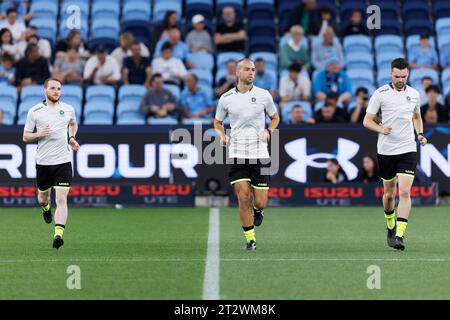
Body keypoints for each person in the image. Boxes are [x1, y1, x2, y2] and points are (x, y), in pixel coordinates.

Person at [214, 58, 280, 251]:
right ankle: (250, 239)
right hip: (237, 153)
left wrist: (268, 131)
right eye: (247, 69)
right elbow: (217, 122)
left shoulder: (264, 95)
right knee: (243, 196)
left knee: (260, 201)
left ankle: (258, 211)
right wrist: (222, 135)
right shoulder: (226, 98)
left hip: (259, 153)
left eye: (253, 70)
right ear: (237, 72)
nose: (251, 72)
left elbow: (275, 117)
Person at [363, 58, 427, 251]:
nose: (400, 79)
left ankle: (399, 234)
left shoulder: (414, 94)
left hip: (407, 148)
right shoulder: (380, 94)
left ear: (408, 74)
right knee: (389, 194)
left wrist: (420, 134)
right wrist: (381, 129)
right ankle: (390, 226)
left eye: (404, 76)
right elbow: (367, 121)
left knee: (405, 192)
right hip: (386, 150)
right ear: (391, 73)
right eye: (397, 76)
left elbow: (417, 116)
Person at [22, 78, 80, 249]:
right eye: (53, 88)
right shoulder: (35, 111)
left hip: (63, 162)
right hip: (43, 163)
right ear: (45, 90)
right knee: (42, 198)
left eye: (59, 89)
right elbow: (25, 136)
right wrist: (39, 133)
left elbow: (73, 124)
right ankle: (46, 208)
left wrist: (71, 138)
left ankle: (58, 235)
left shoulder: (68, 109)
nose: (56, 91)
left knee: (61, 199)